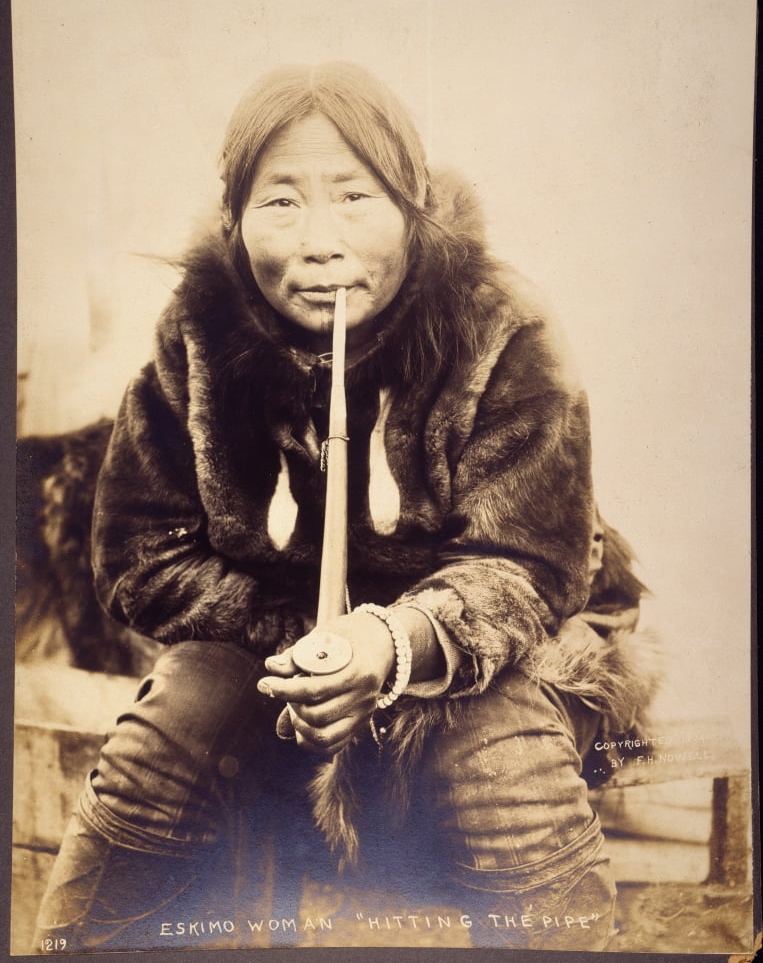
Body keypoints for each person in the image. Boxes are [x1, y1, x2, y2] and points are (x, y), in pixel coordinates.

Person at [33, 62, 659, 952]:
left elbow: (530, 564)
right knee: (174, 716)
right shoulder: (199, 333)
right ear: (233, 219)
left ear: (411, 207)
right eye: (280, 202)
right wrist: (307, 648)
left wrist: (389, 645)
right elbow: (141, 551)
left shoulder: (501, 323)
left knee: (496, 746)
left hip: (505, 640)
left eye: (354, 196)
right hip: (278, 640)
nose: (319, 240)